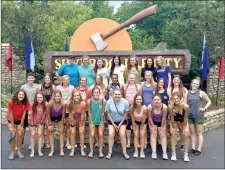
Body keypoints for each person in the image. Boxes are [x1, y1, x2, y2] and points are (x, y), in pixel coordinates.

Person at [187, 77, 211, 156]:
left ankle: (199, 150)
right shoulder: (188, 92)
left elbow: (209, 101)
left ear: (198, 85)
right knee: (192, 133)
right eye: (194, 83)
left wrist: (204, 108)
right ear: (191, 84)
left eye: (197, 84)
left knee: (199, 133)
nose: (195, 85)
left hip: (198, 115)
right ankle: (193, 148)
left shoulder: (201, 93)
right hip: (190, 116)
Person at [105, 90, 130, 160]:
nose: (117, 96)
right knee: (111, 134)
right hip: (112, 121)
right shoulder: (109, 102)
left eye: (118, 94)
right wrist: (113, 123)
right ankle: (110, 152)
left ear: (121, 95)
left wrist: (120, 124)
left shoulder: (125, 102)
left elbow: (126, 113)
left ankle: (124, 152)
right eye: (115, 94)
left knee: (122, 134)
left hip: (122, 121)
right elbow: (108, 113)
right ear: (113, 95)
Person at [6, 89, 30, 160]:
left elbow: (24, 114)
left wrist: (21, 124)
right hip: (11, 120)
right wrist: (13, 126)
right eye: (20, 94)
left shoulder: (26, 102)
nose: (21, 96)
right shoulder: (11, 101)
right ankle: (12, 153)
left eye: (22, 95)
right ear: (17, 95)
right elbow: (11, 114)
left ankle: (19, 151)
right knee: (13, 135)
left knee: (20, 135)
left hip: (20, 120)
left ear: (24, 96)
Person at [167, 74, 188, 150]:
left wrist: (180, 108)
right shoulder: (169, 89)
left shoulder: (184, 89)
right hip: (173, 110)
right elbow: (170, 100)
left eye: (177, 80)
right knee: (173, 128)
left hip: (181, 110)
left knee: (181, 128)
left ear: (179, 81)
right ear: (172, 81)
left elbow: (184, 100)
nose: (175, 81)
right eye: (174, 80)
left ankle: (183, 143)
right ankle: (174, 143)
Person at [168, 92, 190, 162]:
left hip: (183, 120)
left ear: (180, 98)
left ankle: (186, 154)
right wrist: (173, 128)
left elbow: (186, 118)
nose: (176, 100)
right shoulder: (170, 106)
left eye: (177, 98)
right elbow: (171, 118)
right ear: (172, 99)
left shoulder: (185, 106)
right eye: (174, 99)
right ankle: (173, 153)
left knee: (185, 134)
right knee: (173, 134)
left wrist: (185, 128)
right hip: (174, 120)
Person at [21, 72, 38, 149]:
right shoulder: (23, 87)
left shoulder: (37, 86)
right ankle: (21, 142)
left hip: (33, 108)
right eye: (29, 78)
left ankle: (31, 144)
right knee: (23, 127)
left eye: (32, 78)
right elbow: (21, 96)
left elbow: (38, 97)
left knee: (32, 127)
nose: (30, 79)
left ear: (34, 78)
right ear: (27, 79)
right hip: (25, 108)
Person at [147, 94, 168, 160]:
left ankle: (164, 152)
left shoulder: (164, 107)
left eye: (158, 100)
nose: (156, 101)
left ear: (161, 100)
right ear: (152, 100)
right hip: (153, 121)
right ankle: (154, 152)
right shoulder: (149, 107)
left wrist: (161, 127)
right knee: (153, 135)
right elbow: (149, 118)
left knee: (163, 135)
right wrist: (153, 127)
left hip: (161, 121)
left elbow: (164, 118)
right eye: (155, 100)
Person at [56, 75, 74, 149]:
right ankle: (62, 142)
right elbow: (55, 97)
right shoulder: (58, 88)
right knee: (61, 127)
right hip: (60, 110)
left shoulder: (72, 88)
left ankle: (68, 141)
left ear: (68, 80)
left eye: (67, 80)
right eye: (64, 80)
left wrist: (68, 103)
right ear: (62, 80)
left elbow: (73, 98)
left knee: (68, 126)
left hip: (68, 110)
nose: (65, 81)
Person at [46, 90, 66, 157]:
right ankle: (52, 150)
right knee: (51, 132)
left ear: (61, 97)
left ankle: (61, 150)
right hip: (51, 117)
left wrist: (62, 123)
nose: (57, 97)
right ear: (53, 96)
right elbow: (48, 114)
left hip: (60, 117)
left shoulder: (63, 104)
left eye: (58, 96)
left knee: (61, 132)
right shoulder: (50, 104)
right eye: (56, 96)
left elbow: (63, 114)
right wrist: (50, 124)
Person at [124, 74, 141, 148]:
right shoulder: (125, 86)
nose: (131, 79)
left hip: (135, 107)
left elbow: (140, 97)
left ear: (135, 79)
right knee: (128, 125)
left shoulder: (138, 86)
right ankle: (128, 142)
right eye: (130, 78)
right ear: (128, 78)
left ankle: (137, 142)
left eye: (133, 78)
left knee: (136, 125)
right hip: (127, 108)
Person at [87, 87, 106, 158]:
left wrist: (101, 121)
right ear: (92, 93)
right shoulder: (89, 101)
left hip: (100, 120)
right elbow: (89, 112)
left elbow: (103, 112)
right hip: (92, 120)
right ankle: (91, 151)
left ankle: (100, 151)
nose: (96, 94)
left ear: (99, 93)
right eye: (95, 92)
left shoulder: (103, 101)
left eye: (97, 92)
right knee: (92, 135)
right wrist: (91, 122)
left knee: (101, 134)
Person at [38, 73, 55, 149]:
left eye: (48, 78)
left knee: (48, 125)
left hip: (50, 107)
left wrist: (50, 102)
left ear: (50, 79)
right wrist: (44, 102)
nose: (47, 80)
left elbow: (54, 96)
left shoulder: (53, 87)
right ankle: (42, 142)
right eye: (46, 78)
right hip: (43, 106)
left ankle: (48, 142)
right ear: (44, 79)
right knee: (42, 125)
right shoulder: (40, 86)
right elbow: (38, 96)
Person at [68, 90, 86, 157]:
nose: (76, 97)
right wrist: (72, 124)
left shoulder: (83, 104)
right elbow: (70, 115)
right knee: (72, 132)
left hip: (81, 119)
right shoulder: (69, 104)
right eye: (75, 96)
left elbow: (83, 115)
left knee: (81, 132)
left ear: (80, 96)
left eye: (78, 95)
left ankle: (82, 149)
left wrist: (81, 125)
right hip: (73, 119)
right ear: (73, 97)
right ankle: (72, 149)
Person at [28, 91, 46, 157]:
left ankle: (39, 150)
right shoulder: (32, 104)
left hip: (40, 122)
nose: (39, 99)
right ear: (36, 98)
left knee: (40, 134)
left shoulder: (45, 104)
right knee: (32, 135)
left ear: (43, 98)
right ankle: (32, 151)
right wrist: (32, 124)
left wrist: (41, 122)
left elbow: (44, 114)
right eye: (38, 97)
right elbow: (30, 114)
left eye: (41, 97)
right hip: (32, 121)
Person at [130, 94, 148, 159]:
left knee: (142, 135)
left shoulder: (145, 108)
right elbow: (132, 117)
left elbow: (143, 119)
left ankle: (142, 151)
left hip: (143, 122)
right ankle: (136, 151)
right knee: (136, 135)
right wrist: (134, 124)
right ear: (135, 100)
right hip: (135, 121)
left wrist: (142, 127)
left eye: (140, 99)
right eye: (137, 99)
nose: (138, 101)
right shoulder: (132, 107)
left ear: (142, 100)